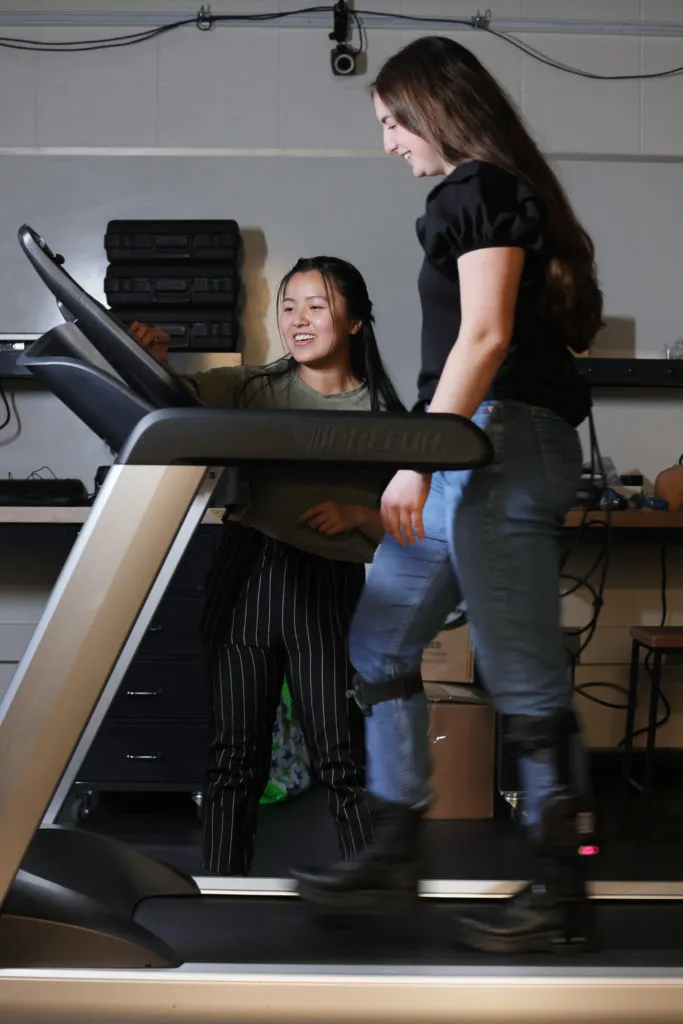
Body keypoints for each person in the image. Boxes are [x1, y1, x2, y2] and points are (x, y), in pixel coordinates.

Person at [292, 36, 604, 955]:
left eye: (392, 121)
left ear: (437, 107)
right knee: (380, 642)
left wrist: (417, 458)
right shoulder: (485, 196)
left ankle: (561, 890)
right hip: (469, 447)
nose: (388, 141)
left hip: (491, 447)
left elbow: (483, 338)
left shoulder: (477, 191)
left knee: (523, 676)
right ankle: (394, 847)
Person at [136, 256, 403, 876]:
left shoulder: (385, 412)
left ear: (356, 320)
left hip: (325, 585)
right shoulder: (253, 386)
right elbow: (169, 404)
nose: (299, 320)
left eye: (317, 305)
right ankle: (223, 891)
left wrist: (357, 514)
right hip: (247, 570)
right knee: (234, 757)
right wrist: (153, 359)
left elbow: (417, 516)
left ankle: (368, 889)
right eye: (288, 306)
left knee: (341, 758)